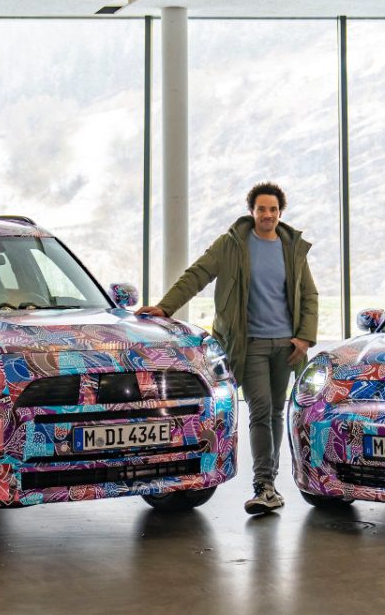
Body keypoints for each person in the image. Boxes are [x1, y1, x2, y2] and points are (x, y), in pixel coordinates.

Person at [136, 182, 318, 514]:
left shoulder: (292, 248)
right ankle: (263, 485)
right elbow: (197, 275)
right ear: (252, 211)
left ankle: (271, 484)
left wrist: (304, 337)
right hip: (250, 345)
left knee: (276, 412)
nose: (267, 215)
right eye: (261, 209)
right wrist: (165, 307)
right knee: (261, 409)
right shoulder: (231, 244)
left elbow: (308, 295)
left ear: (280, 212)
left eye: (273, 209)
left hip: (287, 346)